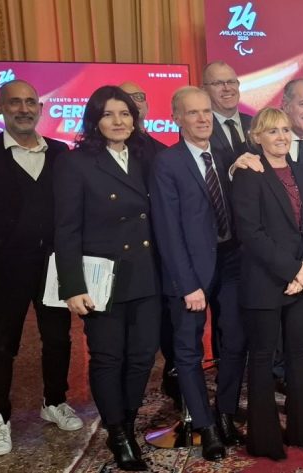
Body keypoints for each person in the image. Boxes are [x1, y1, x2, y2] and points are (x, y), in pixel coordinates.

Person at [0, 79, 82, 456]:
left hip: (53, 266)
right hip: (4, 268)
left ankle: (54, 401)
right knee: (0, 344)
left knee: (58, 338)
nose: (23, 109)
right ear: (0, 107)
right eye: (14, 103)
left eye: (30, 102)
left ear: (40, 108)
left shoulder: (61, 153)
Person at [54, 86, 161, 471]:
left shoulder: (147, 155)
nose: (119, 121)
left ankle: (127, 424)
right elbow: (66, 228)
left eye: (125, 113)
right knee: (108, 357)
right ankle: (117, 433)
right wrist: (73, 286)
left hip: (146, 274)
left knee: (143, 356)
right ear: (94, 121)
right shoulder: (75, 163)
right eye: (109, 114)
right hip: (102, 279)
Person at [149, 86, 250, 460]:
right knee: (188, 350)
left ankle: (224, 414)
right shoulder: (167, 163)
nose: (203, 118)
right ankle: (204, 426)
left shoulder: (224, 155)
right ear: (177, 118)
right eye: (193, 112)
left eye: (206, 111)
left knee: (235, 340)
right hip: (190, 270)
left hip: (231, 262)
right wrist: (188, 283)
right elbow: (167, 229)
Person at [234, 108, 303, 459]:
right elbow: (251, 233)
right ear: (257, 137)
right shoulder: (249, 174)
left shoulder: (302, 170)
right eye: (272, 131)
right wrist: (291, 270)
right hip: (265, 280)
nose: (281, 137)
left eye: (285, 130)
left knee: (299, 354)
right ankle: (265, 441)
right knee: (262, 358)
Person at [120, 80, 179, 408]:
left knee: (167, 327)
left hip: (160, 254)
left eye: (139, 97)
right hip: (119, 261)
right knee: (126, 340)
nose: (134, 103)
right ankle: (124, 404)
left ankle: (174, 383)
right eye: (126, 98)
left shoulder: (162, 152)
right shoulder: (93, 156)